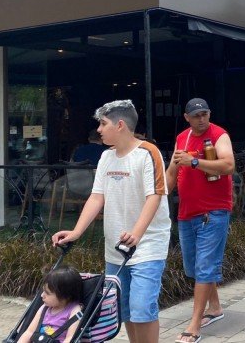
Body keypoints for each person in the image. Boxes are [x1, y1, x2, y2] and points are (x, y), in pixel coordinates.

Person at [52, 100, 170, 343]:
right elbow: (96, 197)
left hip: (147, 246)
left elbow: (155, 197)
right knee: (124, 308)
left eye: (103, 124)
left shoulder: (149, 152)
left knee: (142, 308)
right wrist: (76, 231)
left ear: (120, 125)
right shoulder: (106, 157)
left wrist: (136, 234)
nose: (99, 130)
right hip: (115, 249)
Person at [165, 98, 236, 343]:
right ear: (187, 117)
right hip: (187, 212)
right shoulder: (182, 138)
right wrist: (157, 195)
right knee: (194, 267)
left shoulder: (219, 135)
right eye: (196, 115)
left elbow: (228, 165)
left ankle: (194, 325)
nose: (201, 119)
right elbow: (172, 173)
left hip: (213, 212)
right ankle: (214, 308)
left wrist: (194, 161)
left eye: (205, 114)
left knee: (205, 267)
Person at [18, 266, 83, 343]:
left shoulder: (74, 311)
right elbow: (29, 332)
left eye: (47, 293)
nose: (42, 295)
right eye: (43, 291)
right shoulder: (44, 308)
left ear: (65, 296)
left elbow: (70, 338)